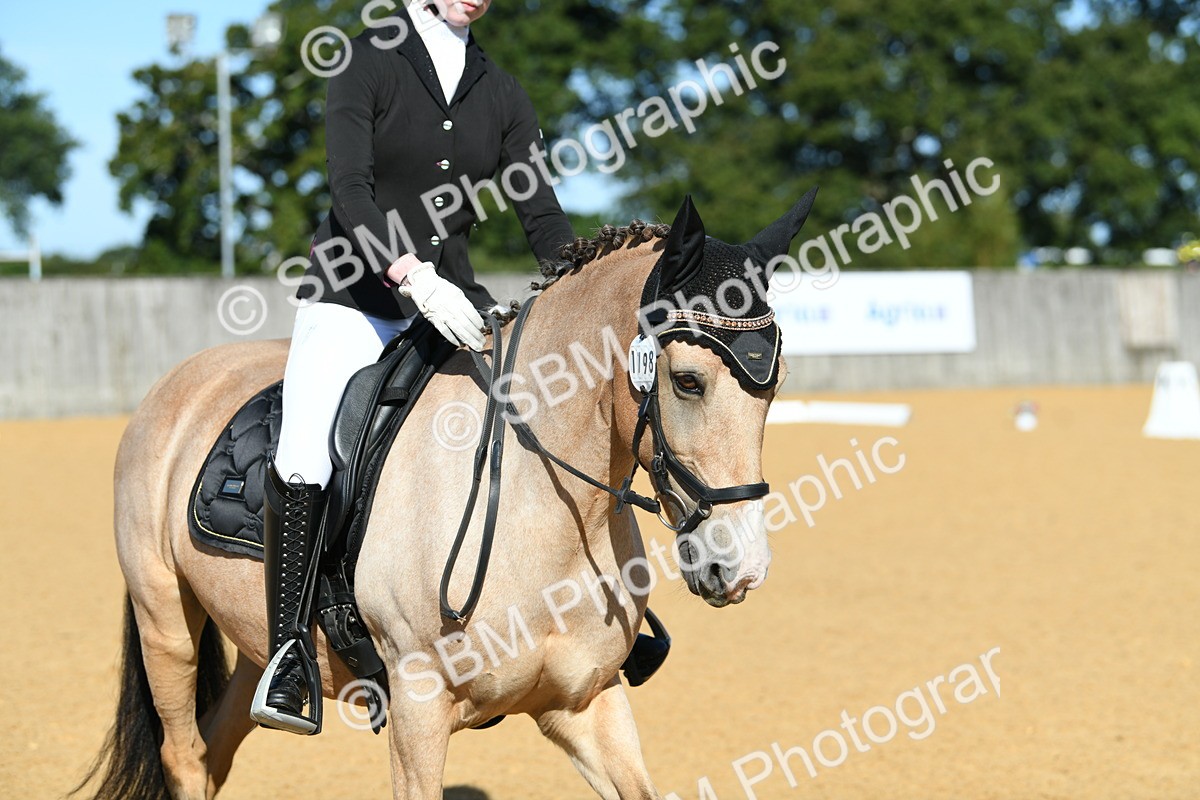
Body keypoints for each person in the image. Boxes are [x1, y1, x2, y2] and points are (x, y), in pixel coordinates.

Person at [250, 0, 576, 734]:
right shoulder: (365, 61)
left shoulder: (502, 90)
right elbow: (349, 191)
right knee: (304, 456)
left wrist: (585, 282)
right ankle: (289, 654)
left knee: (539, 418)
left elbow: (542, 212)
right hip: (355, 297)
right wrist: (410, 277)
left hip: (455, 302)